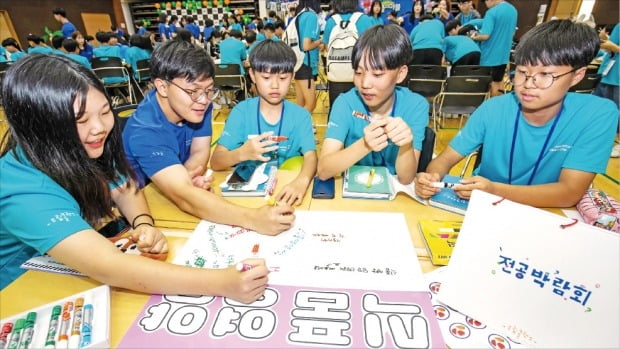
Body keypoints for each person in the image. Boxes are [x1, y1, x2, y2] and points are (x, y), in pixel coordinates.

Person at [0, 54, 271, 303]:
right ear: (41, 126)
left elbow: (126, 189)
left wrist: (143, 223)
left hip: (69, 270)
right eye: (80, 119)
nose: (99, 128)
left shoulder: (81, 145)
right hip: (21, 292)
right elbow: (110, 267)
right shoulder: (22, 190)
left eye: (105, 112)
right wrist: (222, 282)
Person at [414, 20, 619, 208]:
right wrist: (430, 177)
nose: (528, 84)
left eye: (545, 75)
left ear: (577, 75)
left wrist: (495, 190)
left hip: (550, 214)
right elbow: (444, 160)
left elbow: (569, 193)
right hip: (485, 208)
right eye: (522, 72)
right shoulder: (493, 108)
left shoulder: (597, 114)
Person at [122, 40, 295, 235]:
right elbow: (185, 198)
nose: (204, 100)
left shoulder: (197, 104)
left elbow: (199, 156)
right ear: (162, 87)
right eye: (193, 91)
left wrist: (185, 180)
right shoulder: (145, 129)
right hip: (140, 215)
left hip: (169, 198)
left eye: (209, 90)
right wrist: (253, 218)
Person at [317, 24, 429, 185]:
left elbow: (406, 178)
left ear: (400, 74)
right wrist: (365, 144)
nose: (365, 83)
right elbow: (323, 170)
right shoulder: (345, 103)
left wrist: (407, 145)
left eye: (377, 74)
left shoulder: (416, 105)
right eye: (358, 72)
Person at [210, 40, 317, 206]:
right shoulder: (241, 112)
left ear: (292, 77)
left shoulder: (301, 116)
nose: (275, 85)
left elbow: (311, 157)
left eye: (283, 78)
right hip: (248, 198)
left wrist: (301, 182)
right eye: (266, 77)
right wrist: (241, 153)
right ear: (252, 75)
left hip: (285, 193)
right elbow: (216, 161)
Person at [470, 0, 517, 96]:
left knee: (490, 85)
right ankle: (500, 107)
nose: (486, 4)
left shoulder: (492, 12)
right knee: (499, 82)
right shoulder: (513, 10)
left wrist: (473, 37)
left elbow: (485, 35)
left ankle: (491, 108)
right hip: (504, 55)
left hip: (490, 56)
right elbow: (513, 33)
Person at [593, 22, 620, 157]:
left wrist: (615, 48)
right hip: (608, 73)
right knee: (600, 109)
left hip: (618, 77)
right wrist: (606, 41)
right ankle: (599, 139)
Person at [293, 0, 322, 114]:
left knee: (300, 103)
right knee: (311, 103)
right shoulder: (311, 16)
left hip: (298, 62)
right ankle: (295, 127)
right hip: (306, 64)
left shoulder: (300, 15)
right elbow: (306, 45)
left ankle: (301, 129)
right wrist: (320, 42)